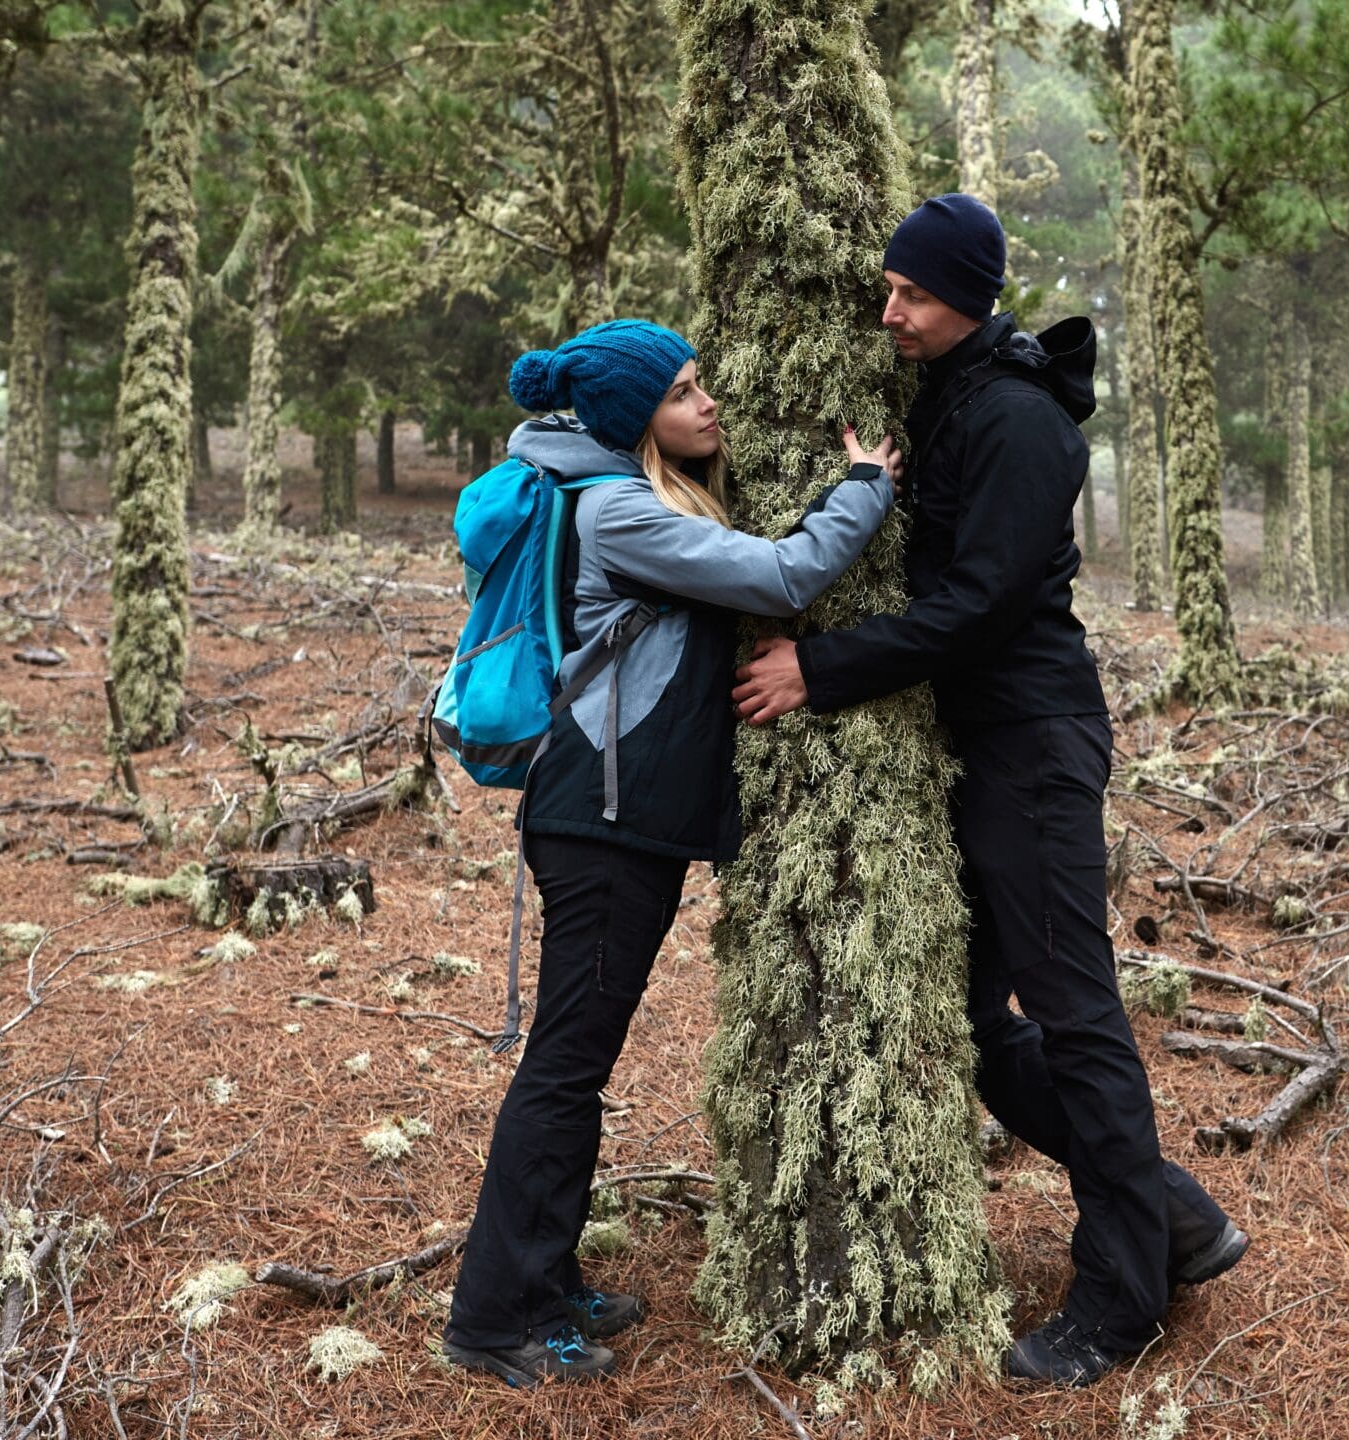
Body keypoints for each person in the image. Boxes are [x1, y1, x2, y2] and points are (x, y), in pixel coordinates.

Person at [730, 194, 1249, 1389]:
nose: (887, 312)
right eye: (888, 288)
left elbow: (982, 606)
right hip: (975, 749)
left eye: (910, 293)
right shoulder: (954, 396)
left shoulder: (1017, 421)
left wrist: (819, 665)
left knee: (1074, 1009)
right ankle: (1169, 1214)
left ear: (966, 292)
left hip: (1032, 742)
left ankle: (1122, 1297)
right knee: (965, 1019)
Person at [441, 319, 900, 1387]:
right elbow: (787, 576)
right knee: (563, 1069)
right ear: (628, 418)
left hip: (611, 819)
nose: (709, 404)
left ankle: (547, 1285)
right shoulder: (616, 512)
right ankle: (492, 1319)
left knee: (576, 1067)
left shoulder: (609, 498)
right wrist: (864, 483)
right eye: (684, 392)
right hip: (603, 827)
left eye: (701, 386)